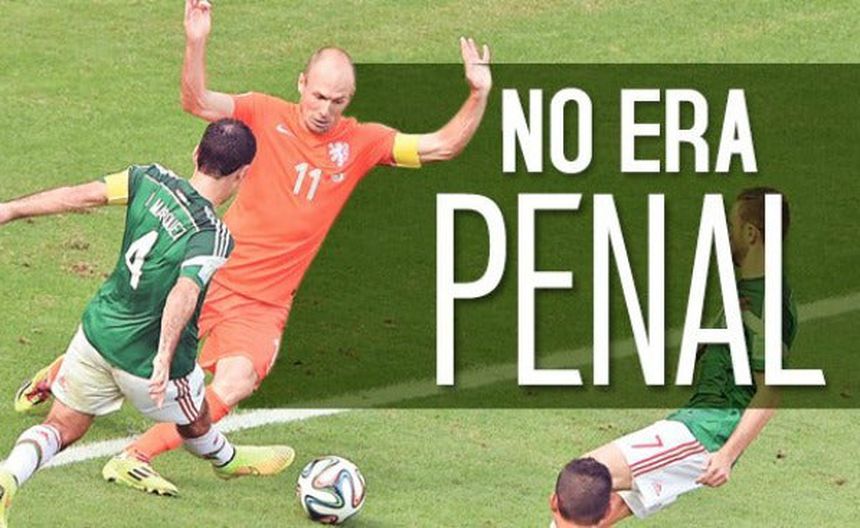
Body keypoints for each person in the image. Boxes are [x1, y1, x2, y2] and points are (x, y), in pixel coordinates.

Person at [15, 0, 493, 496]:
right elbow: (197, 101)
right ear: (301, 83)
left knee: (236, 381)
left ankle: (135, 455)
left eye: (338, 101)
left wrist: (478, 93)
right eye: (319, 95)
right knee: (138, 338)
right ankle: (56, 376)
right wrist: (196, 41)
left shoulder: (363, 143)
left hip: (263, 303)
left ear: (349, 100)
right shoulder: (264, 112)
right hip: (210, 270)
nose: (325, 109)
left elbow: (442, 145)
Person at [0, 120, 295, 527]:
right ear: (243, 174)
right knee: (196, 418)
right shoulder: (211, 234)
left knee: (61, 426)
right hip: (148, 364)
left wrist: (11, 209)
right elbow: (184, 292)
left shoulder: (148, 178)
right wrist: (163, 357)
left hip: (96, 335)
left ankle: (8, 476)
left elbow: (80, 195)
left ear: (196, 153)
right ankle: (226, 460)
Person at [550, 188, 796, 527]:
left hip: (705, 433)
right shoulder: (751, 290)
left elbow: (771, 390)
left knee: (582, 481)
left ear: (751, 234)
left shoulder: (768, 304)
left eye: (731, 226)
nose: (725, 235)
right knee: (603, 507)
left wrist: (727, 455)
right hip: (696, 422)